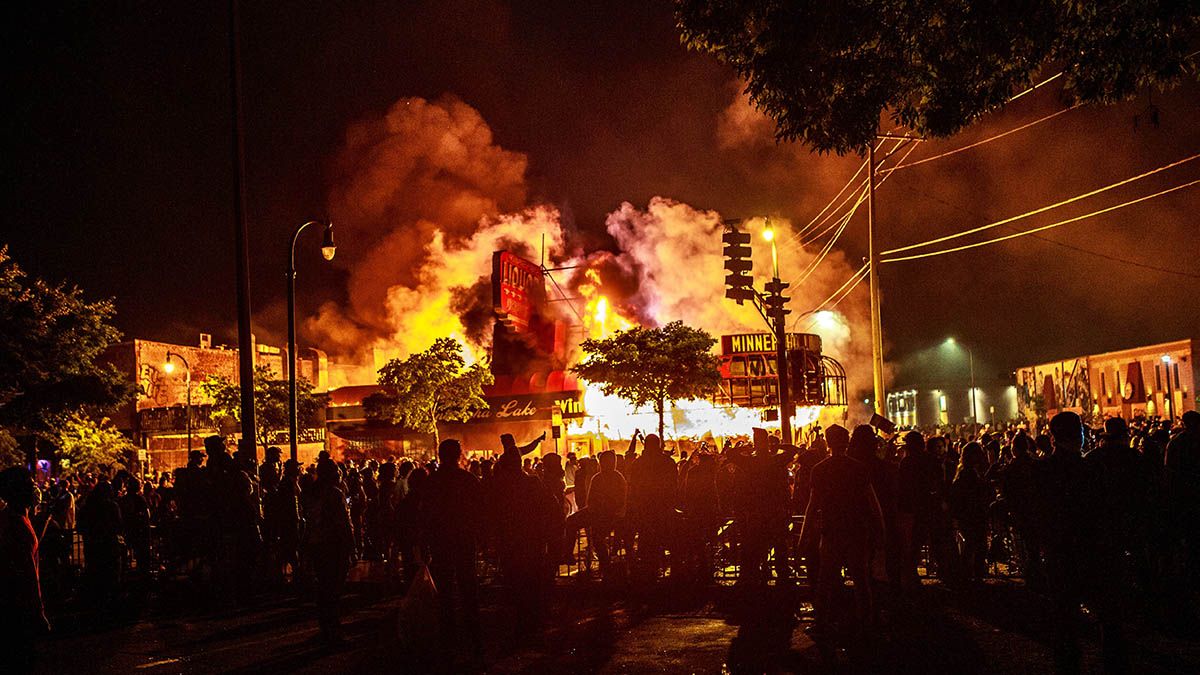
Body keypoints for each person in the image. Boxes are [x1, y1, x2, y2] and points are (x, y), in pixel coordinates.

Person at [800, 424, 884, 642]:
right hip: (857, 530)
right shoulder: (859, 468)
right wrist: (880, 529)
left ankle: (823, 623)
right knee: (861, 579)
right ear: (846, 442)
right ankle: (866, 622)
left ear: (828, 442)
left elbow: (812, 505)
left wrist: (803, 535)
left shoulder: (819, 469)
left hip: (832, 532)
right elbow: (872, 502)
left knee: (826, 580)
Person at [421, 439, 484, 664]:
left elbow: (425, 515)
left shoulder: (432, 482)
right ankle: (474, 639)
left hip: (441, 542)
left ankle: (449, 639)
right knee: (468, 587)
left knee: (445, 590)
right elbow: (481, 511)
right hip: (463, 540)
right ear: (458, 455)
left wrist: (425, 542)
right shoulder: (468, 480)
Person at [0, 467, 50, 673]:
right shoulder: (18, 525)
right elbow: (28, 575)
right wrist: (39, 612)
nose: (34, 487)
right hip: (17, 609)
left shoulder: (10, 518)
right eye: (30, 484)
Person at [304, 458, 354, 644]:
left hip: (317, 544)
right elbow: (343, 524)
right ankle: (334, 631)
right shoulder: (334, 494)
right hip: (333, 546)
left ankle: (326, 628)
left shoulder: (312, 493)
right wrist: (351, 546)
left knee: (324, 589)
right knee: (334, 590)